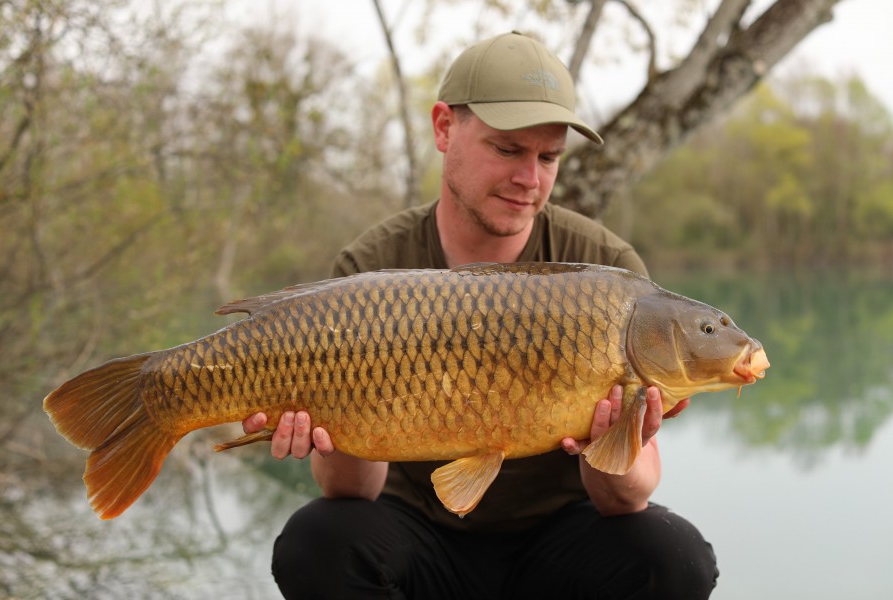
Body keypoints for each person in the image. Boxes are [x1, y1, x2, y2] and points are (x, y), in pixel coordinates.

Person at [243, 31, 718, 599]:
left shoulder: (606, 271)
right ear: (445, 128)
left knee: (673, 556)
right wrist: (329, 427)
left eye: (549, 158)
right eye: (507, 149)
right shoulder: (373, 267)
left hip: (558, 541)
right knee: (316, 540)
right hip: (418, 535)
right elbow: (350, 493)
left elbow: (626, 499)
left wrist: (611, 440)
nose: (530, 180)